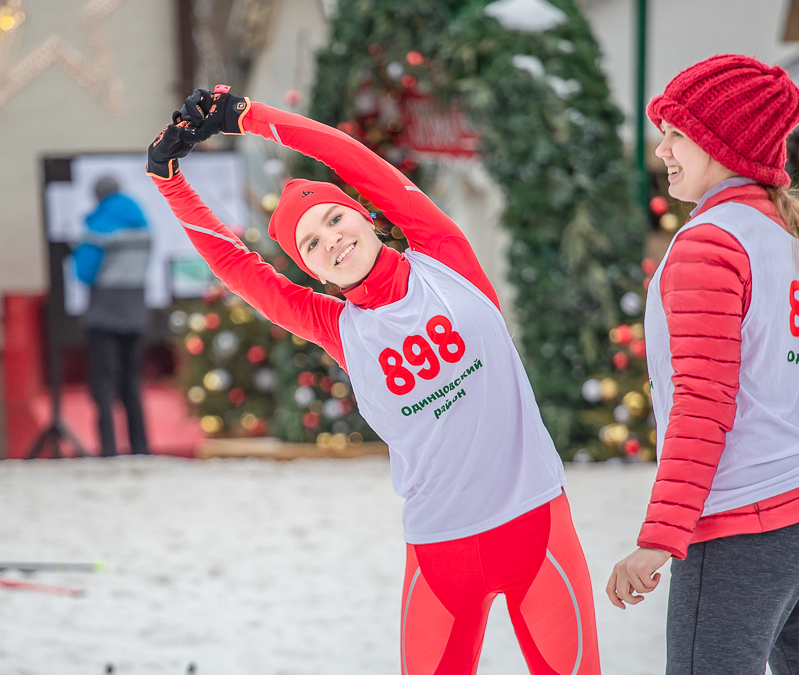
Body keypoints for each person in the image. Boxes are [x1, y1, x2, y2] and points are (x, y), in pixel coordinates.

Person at [147, 87, 601, 674]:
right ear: (308, 268)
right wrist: (168, 180)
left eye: (334, 217)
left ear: (364, 215)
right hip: (441, 551)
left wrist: (250, 118)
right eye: (310, 243)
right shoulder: (336, 327)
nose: (331, 239)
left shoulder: (442, 256)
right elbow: (239, 267)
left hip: (534, 525)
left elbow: (350, 159)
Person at [605, 55, 799, 675]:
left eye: (678, 132)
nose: (662, 148)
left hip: (749, 524)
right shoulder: (792, 239)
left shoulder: (711, 243)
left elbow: (704, 401)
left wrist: (659, 538)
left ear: (722, 143)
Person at [73, 176, 152, 457]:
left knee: (104, 387)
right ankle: (140, 448)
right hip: (135, 314)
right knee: (132, 385)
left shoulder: (97, 226)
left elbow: (83, 273)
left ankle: (108, 451)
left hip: (104, 316)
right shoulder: (144, 225)